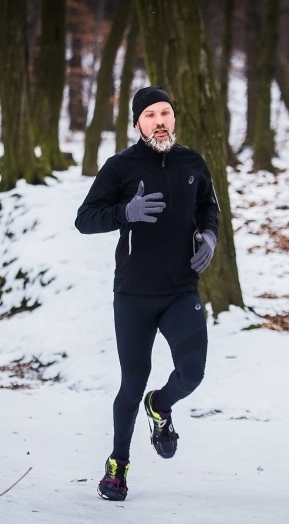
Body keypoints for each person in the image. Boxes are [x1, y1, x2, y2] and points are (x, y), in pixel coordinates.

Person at [74, 86, 219, 502]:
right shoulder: (120, 166)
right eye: (151, 114)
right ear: (137, 123)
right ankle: (117, 465)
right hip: (134, 294)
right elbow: (84, 219)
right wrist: (125, 213)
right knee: (130, 385)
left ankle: (162, 404)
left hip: (180, 289)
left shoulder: (192, 162)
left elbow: (209, 206)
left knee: (191, 373)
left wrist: (209, 236)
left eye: (166, 113)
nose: (160, 120)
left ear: (174, 119)